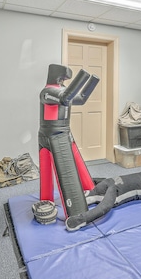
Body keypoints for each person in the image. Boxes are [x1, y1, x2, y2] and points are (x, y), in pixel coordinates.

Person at [37, 64, 99, 218]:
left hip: (64, 132)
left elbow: (81, 99)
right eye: (63, 78)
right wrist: (83, 76)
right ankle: (55, 204)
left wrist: (93, 81)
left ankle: (89, 189)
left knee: (77, 162)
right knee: (57, 170)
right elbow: (65, 99)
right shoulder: (47, 92)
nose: (64, 80)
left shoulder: (62, 91)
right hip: (51, 134)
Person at [65, 158, 141, 231]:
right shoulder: (112, 191)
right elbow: (104, 207)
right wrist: (80, 220)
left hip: (129, 181)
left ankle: (80, 220)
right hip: (128, 182)